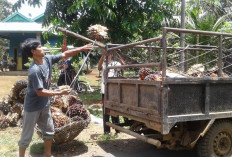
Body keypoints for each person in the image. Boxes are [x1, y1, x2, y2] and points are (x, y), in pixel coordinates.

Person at [18, 38, 92, 157]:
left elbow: (65, 54)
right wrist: (59, 93)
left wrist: (82, 49)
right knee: (26, 135)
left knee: (49, 131)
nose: (43, 48)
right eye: (40, 47)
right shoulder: (34, 70)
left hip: (44, 104)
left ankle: (47, 154)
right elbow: (40, 92)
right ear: (33, 51)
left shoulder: (47, 59)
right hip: (32, 107)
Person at [98, 50, 125, 134]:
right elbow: (99, 67)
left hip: (114, 91)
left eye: (109, 55)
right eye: (106, 55)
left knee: (115, 110)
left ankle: (117, 130)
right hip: (105, 91)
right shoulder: (103, 64)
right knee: (106, 111)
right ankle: (106, 131)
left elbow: (124, 67)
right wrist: (102, 56)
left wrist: (119, 56)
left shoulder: (115, 63)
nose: (108, 56)